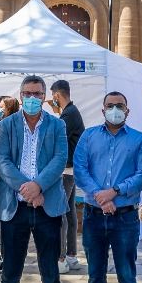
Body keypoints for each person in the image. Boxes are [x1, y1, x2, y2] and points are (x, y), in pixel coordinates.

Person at [0, 74, 71, 283]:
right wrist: (28, 187)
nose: (32, 98)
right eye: (27, 93)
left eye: (37, 93)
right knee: (10, 276)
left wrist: (39, 187)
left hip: (47, 209)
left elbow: (60, 159)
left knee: (51, 275)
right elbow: (3, 161)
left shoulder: (57, 124)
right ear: (20, 96)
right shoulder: (8, 125)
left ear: (44, 96)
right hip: (15, 208)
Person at [73, 91, 142, 283]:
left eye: (119, 106)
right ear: (102, 109)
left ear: (127, 111)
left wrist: (115, 192)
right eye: (110, 106)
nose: (115, 109)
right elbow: (80, 169)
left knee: (127, 278)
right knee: (95, 275)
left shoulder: (139, 140)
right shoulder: (89, 136)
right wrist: (100, 196)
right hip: (95, 216)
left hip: (124, 217)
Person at [52, 79, 85, 272]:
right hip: (70, 171)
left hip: (65, 171)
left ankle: (61, 257)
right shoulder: (71, 112)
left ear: (56, 95)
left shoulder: (68, 115)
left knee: (60, 214)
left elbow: (56, 136)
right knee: (70, 213)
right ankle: (72, 256)